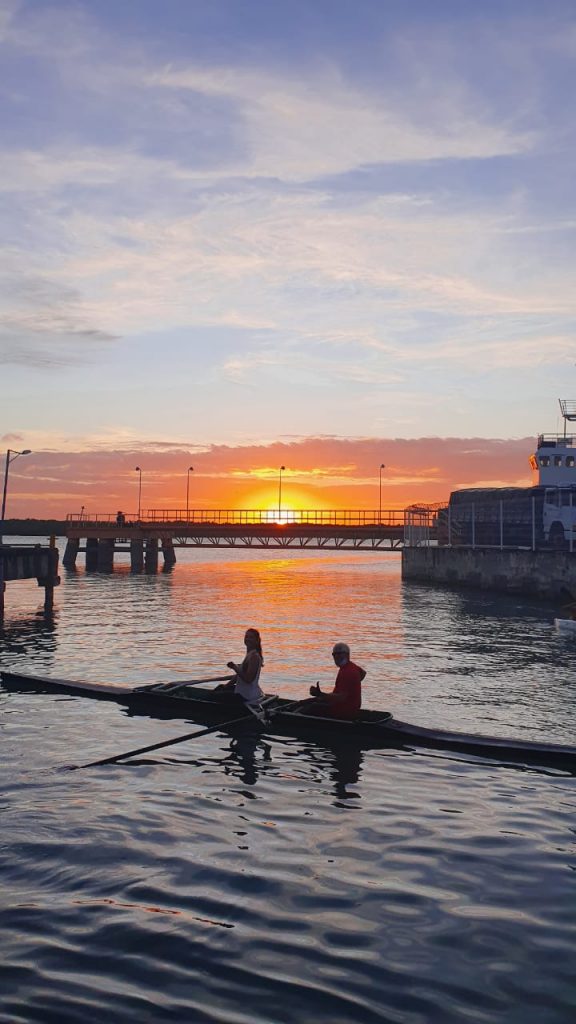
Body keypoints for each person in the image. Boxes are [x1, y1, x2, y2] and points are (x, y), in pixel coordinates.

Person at [309, 642, 366, 718]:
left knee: (311, 708)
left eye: (339, 654)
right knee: (315, 702)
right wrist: (353, 687)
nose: (336, 656)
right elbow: (363, 673)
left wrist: (321, 694)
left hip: (344, 711)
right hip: (351, 707)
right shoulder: (351, 666)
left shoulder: (348, 672)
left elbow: (341, 698)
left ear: (347, 655)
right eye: (334, 654)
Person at [217, 628, 265, 703]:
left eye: (251, 637)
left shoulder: (254, 657)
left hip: (246, 696)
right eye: (246, 637)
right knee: (220, 688)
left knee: (215, 696)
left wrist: (235, 668)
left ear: (257, 640)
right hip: (243, 693)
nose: (248, 639)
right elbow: (239, 676)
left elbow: (248, 679)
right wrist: (226, 686)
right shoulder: (250, 654)